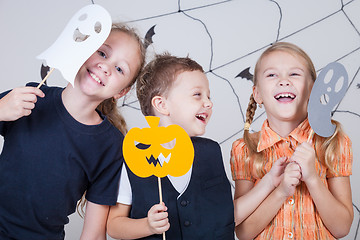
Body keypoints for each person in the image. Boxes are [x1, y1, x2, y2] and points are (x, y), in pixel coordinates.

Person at [0, 22, 146, 239]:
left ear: (122, 91)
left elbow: (94, 234)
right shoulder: (31, 97)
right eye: (102, 53)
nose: (106, 66)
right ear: (84, 50)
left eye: (119, 68)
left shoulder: (111, 146)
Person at [230, 42, 353, 240]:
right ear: (257, 94)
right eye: (272, 75)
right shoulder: (244, 149)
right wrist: (280, 192)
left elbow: (342, 228)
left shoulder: (333, 142)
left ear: (313, 90)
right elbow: (243, 232)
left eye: (294, 74)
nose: (284, 81)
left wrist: (313, 179)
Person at [107, 53, 234, 239]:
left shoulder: (211, 152)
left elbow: (228, 212)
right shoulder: (133, 157)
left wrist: (271, 184)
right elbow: (114, 224)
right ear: (161, 104)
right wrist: (147, 226)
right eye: (197, 95)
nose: (209, 103)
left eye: (208, 96)